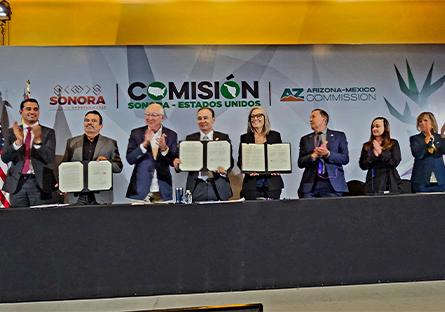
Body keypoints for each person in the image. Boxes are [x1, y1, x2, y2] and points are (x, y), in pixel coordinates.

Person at [1, 98, 56, 207]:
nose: (32, 112)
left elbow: (49, 158)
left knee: (39, 220)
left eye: (35, 109)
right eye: (28, 109)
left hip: (40, 184)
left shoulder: (48, 132)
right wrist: (18, 142)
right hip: (17, 184)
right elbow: (5, 158)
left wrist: (38, 141)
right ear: (21, 112)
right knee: (19, 220)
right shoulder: (12, 132)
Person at [61, 110, 123, 205]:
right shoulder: (72, 142)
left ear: (100, 126)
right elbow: (64, 166)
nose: (89, 123)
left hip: (101, 196)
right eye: (87, 120)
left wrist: (107, 163)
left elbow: (118, 168)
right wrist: (63, 186)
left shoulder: (110, 143)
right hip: (77, 196)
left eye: (94, 121)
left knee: (101, 220)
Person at [174, 107, 233, 202]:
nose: (202, 121)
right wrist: (177, 165)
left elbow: (230, 162)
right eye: (199, 118)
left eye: (205, 118)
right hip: (196, 186)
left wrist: (224, 171)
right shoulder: (190, 138)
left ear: (213, 119)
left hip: (218, 186)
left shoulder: (223, 138)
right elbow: (181, 164)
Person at [126, 103, 177, 202]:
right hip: (139, 190)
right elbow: (130, 159)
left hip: (162, 190)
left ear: (162, 117)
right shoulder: (136, 133)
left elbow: (173, 161)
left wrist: (164, 149)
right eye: (147, 114)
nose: (149, 118)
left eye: (153, 115)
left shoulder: (171, 135)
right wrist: (144, 144)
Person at [297, 108, 349, 198]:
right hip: (310, 186)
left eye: (313, 117)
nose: (310, 120)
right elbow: (300, 162)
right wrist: (313, 156)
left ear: (324, 119)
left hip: (333, 185)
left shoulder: (339, 136)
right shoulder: (305, 139)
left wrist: (328, 154)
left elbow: (345, 158)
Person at [237, 107, 284, 199]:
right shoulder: (245, 138)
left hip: (272, 184)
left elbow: (280, 157)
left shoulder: (275, 136)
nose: (255, 119)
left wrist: (279, 168)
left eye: (259, 116)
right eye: (252, 116)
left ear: (265, 118)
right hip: (252, 184)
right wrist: (248, 170)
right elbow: (240, 161)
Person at [359, 117, 402, 194]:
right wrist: (374, 156)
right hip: (372, 182)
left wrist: (380, 152)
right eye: (373, 127)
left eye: (377, 126)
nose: (374, 128)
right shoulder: (367, 145)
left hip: (389, 181)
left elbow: (394, 162)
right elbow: (363, 165)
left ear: (385, 128)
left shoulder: (393, 143)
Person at [410, 112, 445, 193]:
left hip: (440, 180)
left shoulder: (439, 138)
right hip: (421, 181)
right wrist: (426, 143)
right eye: (420, 121)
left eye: (425, 120)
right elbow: (418, 155)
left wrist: (442, 136)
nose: (422, 123)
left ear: (432, 123)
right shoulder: (415, 139)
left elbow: (442, 150)